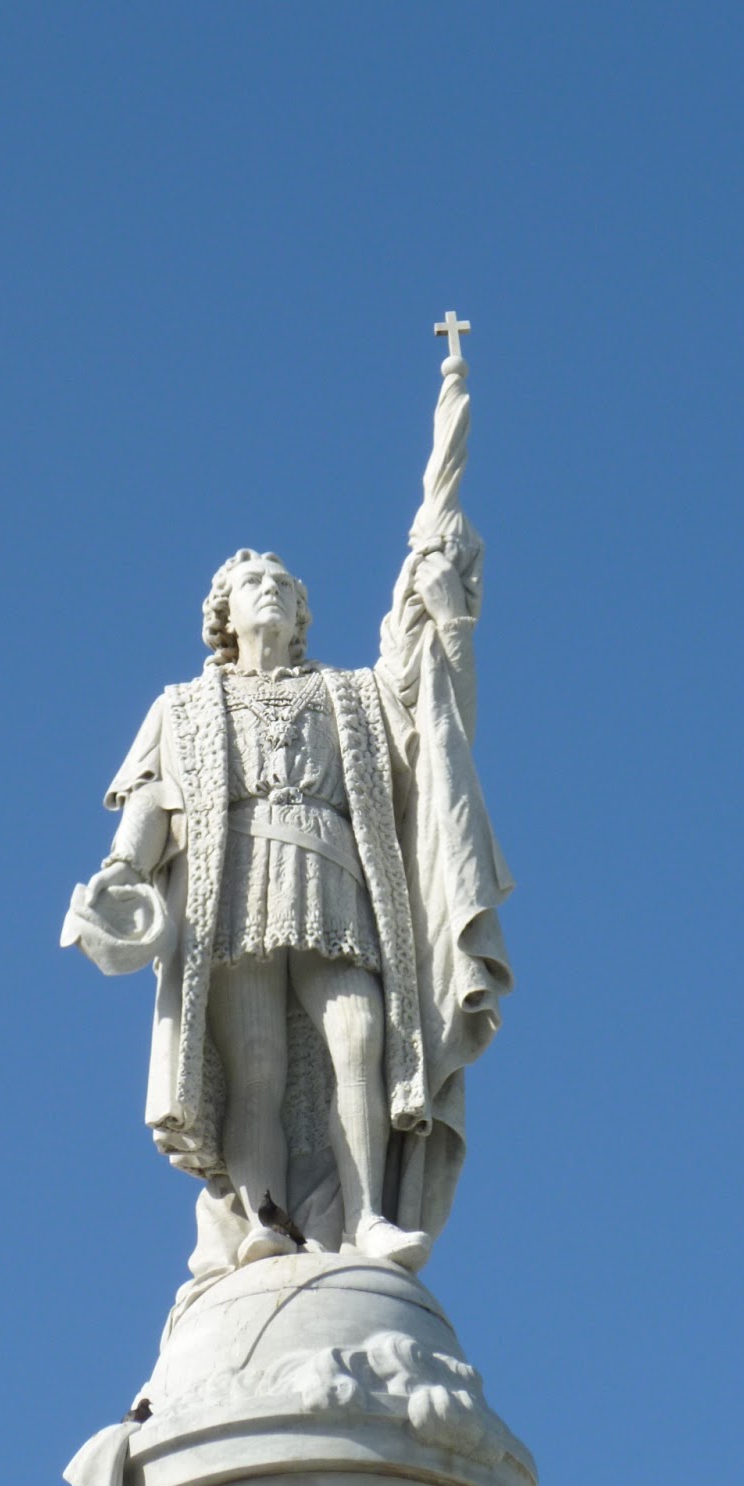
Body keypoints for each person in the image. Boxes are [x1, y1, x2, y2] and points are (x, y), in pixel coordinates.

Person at [63, 354, 515, 1283]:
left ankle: (368, 1219)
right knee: (259, 1061)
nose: (270, 587)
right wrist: (120, 867)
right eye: (252, 581)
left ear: (304, 613)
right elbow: (157, 796)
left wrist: (439, 606)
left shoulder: (347, 694)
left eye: (284, 582)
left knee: (357, 1035)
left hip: (337, 877)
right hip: (232, 885)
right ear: (223, 615)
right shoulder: (182, 706)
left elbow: (424, 707)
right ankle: (264, 1217)